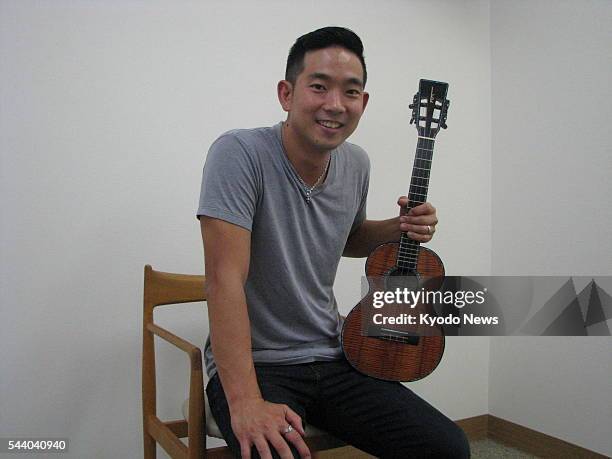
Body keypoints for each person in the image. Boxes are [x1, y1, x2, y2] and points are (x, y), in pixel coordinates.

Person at [197, 26, 469, 459]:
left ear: (363, 103)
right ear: (287, 94)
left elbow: (349, 239)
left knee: (447, 449)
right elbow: (223, 279)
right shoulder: (239, 153)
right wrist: (245, 401)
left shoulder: (356, 163)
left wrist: (400, 225)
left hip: (334, 352)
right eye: (319, 87)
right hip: (261, 363)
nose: (335, 105)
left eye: (350, 91)